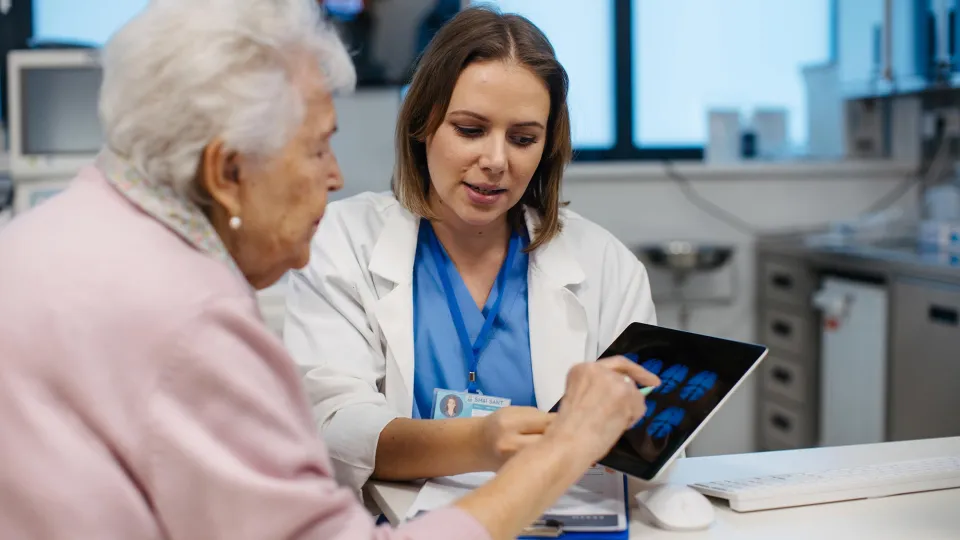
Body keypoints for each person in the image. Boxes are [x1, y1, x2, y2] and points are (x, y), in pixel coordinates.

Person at [0, 1, 660, 539]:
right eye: (317, 147)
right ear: (228, 171)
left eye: (523, 138)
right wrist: (560, 450)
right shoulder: (192, 320)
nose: (337, 175)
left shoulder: (50, 239)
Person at [284, 5, 659, 493]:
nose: (496, 161)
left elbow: (648, 442)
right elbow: (333, 429)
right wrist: (481, 442)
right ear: (423, 123)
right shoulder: (342, 242)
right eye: (470, 130)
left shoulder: (606, 265)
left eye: (523, 138)